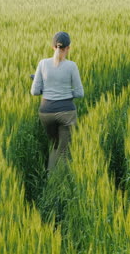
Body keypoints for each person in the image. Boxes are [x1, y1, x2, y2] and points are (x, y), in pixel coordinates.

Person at [30, 31, 84, 172]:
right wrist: (64, 93)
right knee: (64, 150)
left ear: (53, 47)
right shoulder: (72, 66)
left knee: (55, 146)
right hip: (66, 113)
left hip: (46, 114)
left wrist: (47, 90)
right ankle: (58, 180)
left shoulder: (42, 64)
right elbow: (79, 93)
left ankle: (50, 176)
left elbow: (34, 91)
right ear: (68, 48)